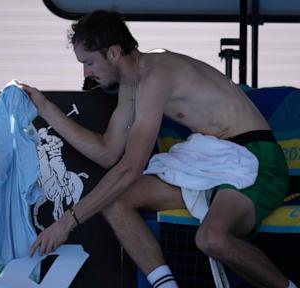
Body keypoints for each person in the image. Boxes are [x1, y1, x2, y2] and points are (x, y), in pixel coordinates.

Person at [21, 10, 295, 288]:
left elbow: (130, 168)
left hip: (257, 158)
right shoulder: (132, 85)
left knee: (212, 238)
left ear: (114, 53)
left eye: (89, 62)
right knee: (116, 202)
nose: (86, 73)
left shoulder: (156, 76)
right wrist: (46, 108)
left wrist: (67, 222)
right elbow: (107, 153)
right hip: (211, 160)